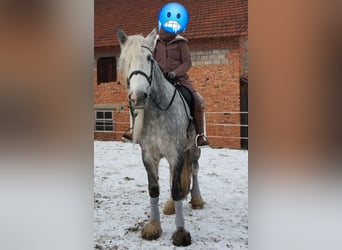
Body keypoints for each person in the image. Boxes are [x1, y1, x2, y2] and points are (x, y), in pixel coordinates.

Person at [122, 27, 209, 147]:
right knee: (137, 98)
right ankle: (134, 130)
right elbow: (150, 60)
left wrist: (175, 73)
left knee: (197, 100)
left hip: (179, 79)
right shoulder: (155, 43)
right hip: (159, 79)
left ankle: (200, 135)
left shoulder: (181, 43)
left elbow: (187, 63)